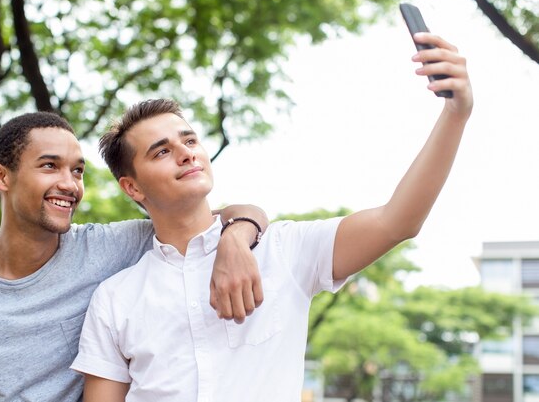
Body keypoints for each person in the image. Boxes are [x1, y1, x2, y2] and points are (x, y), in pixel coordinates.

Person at [70, 31, 473, 402]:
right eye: (161, 151)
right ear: (133, 187)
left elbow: (398, 221)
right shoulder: (115, 298)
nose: (186, 152)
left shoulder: (284, 249)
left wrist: (455, 115)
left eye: (190, 139)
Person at [0, 111, 268, 402]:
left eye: (77, 170)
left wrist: (236, 237)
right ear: (1, 177)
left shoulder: (109, 248)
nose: (70, 184)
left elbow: (217, 216)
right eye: (50, 166)